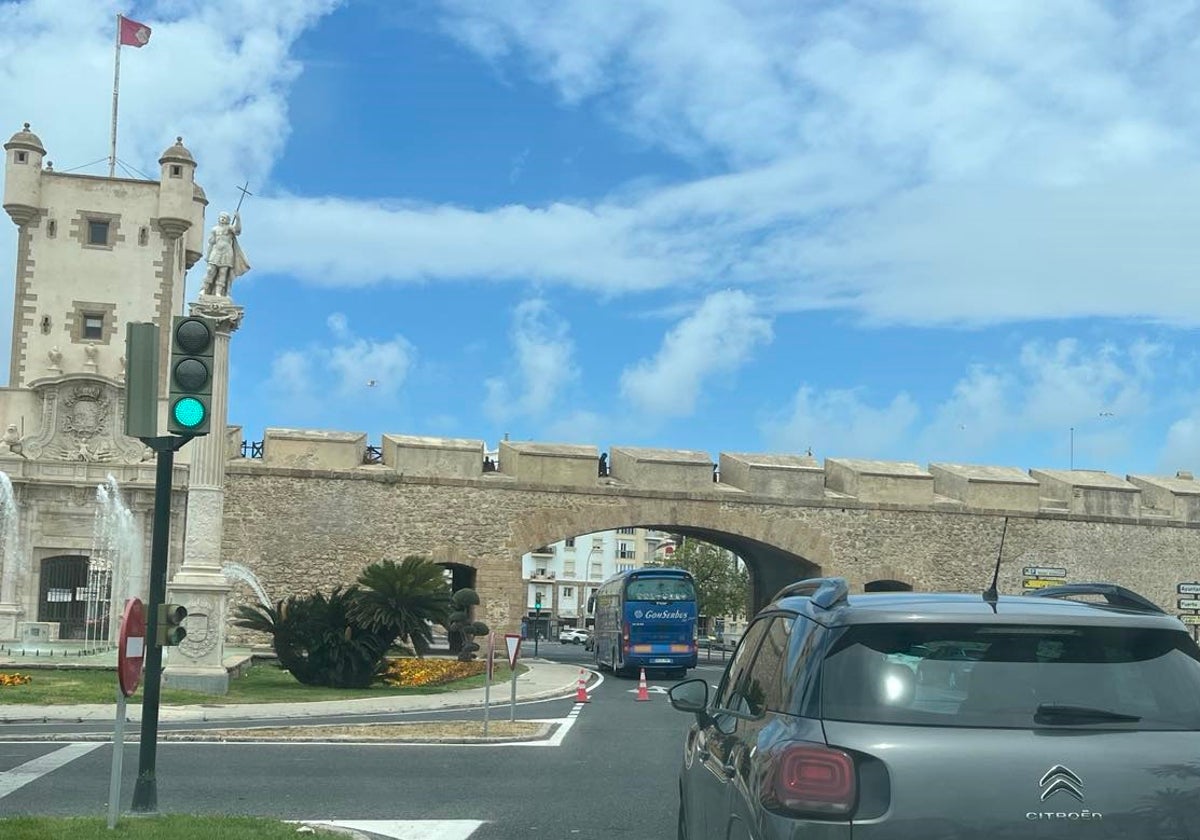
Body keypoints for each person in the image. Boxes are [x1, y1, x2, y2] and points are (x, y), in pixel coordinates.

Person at [202, 211, 251, 297]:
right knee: (210, 270)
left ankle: (219, 292)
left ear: (228, 220)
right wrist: (208, 255)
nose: (222, 219)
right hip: (216, 251)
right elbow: (211, 243)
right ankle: (205, 289)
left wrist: (238, 219)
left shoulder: (229, 228)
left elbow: (237, 231)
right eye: (221, 217)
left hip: (227, 253)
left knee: (223, 272)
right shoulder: (214, 229)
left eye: (225, 217)